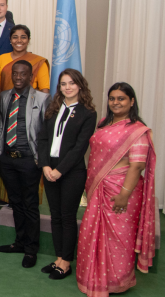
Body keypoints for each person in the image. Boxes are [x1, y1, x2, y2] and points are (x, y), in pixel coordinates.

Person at [77, 83, 157, 296]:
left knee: (119, 237)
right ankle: (94, 277)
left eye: (121, 98)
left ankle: (116, 281)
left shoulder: (137, 130)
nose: (116, 102)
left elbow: (137, 165)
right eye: (112, 98)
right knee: (92, 232)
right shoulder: (105, 123)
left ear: (132, 102)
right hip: (100, 188)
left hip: (122, 190)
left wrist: (124, 194)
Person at [36, 69, 96, 278]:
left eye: (71, 83)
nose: (67, 87)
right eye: (63, 84)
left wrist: (60, 170)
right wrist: (44, 166)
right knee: (56, 216)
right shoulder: (53, 109)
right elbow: (42, 139)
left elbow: (80, 148)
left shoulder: (88, 113)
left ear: (80, 85)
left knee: (68, 216)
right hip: (49, 169)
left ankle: (67, 261)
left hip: (71, 172)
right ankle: (58, 257)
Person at [0, 60, 49, 268]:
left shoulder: (43, 98)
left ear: (31, 77)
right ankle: (19, 242)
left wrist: (40, 159)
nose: (18, 78)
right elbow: (1, 125)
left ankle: (31, 249)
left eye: (23, 74)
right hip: (8, 159)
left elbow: (44, 132)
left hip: (29, 160)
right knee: (15, 202)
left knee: (30, 204)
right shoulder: (4, 96)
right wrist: (0, 153)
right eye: (15, 74)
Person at [0, 25, 50, 93]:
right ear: (10, 39)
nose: (19, 40)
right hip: (6, 101)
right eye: (15, 37)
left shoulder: (38, 61)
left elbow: (44, 90)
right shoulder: (1, 58)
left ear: (28, 40)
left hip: (31, 102)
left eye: (23, 37)